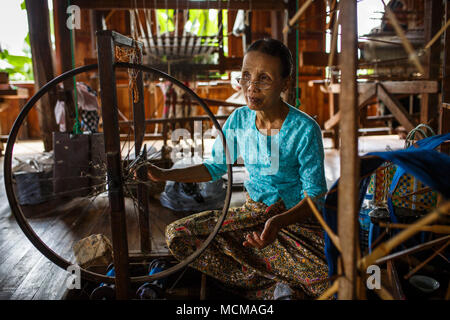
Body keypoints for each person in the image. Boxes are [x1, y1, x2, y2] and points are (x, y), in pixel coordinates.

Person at [146, 38, 329, 300]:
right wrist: (165, 175)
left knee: (327, 278)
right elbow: (215, 167)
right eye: (246, 76)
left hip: (291, 220)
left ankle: (264, 280)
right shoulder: (239, 120)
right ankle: (273, 287)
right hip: (251, 214)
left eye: (264, 78)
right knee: (178, 236)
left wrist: (277, 223)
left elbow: (315, 197)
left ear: (285, 84)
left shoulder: (304, 129)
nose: (251, 86)